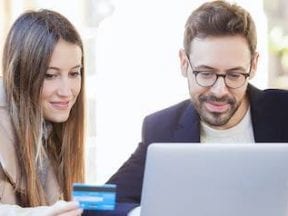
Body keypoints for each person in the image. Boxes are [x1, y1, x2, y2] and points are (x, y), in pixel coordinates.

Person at [105, 0, 288, 215]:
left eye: (234, 75)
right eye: (206, 73)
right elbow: (99, 201)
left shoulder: (283, 112)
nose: (220, 91)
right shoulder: (162, 128)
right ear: (184, 63)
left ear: (254, 65)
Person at [0, 9, 85, 215]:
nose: (66, 92)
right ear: (21, 74)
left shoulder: (51, 127)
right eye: (50, 75)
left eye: (74, 73)